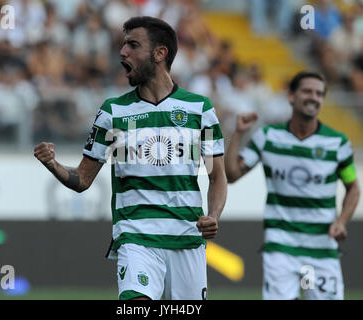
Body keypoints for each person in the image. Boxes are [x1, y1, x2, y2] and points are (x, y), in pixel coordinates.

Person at [34, 16, 227, 300]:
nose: (123, 52)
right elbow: (83, 179)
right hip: (136, 236)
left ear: (160, 53)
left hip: (187, 238)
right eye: (123, 45)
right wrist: (53, 164)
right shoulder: (112, 112)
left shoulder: (200, 109)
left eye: (133, 45)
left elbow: (217, 176)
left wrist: (213, 216)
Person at [225, 71, 361, 300]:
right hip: (281, 248)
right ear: (291, 96)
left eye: (319, 94)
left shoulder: (337, 143)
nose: (314, 97)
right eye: (307, 91)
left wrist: (341, 221)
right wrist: (239, 133)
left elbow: (353, 188)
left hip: (321, 248)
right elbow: (232, 174)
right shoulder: (267, 138)